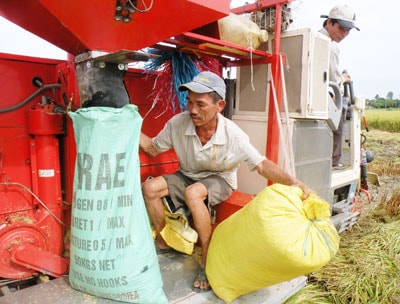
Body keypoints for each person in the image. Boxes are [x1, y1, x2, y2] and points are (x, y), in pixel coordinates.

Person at [139, 71, 313, 292]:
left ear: (219, 105)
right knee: (150, 188)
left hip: (219, 179)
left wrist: (293, 182)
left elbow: (260, 164)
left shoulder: (233, 135)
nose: (192, 110)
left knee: (193, 193)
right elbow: (152, 148)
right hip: (187, 175)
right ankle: (165, 241)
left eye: (200, 104)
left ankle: (207, 259)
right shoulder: (178, 124)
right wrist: (127, 124)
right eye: (189, 102)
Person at [319, 4, 359, 168]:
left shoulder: (315, 38)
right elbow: (335, 81)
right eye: (342, 29)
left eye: (347, 31)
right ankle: (334, 161)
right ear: (329, 22)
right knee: (338, 123)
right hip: (323, 95)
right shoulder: (329, 46)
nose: (344, 34)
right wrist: (343, 78)